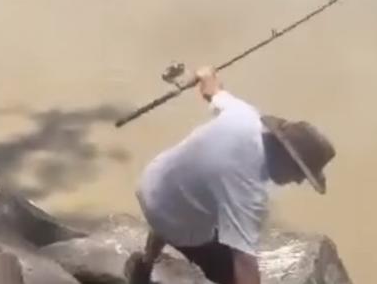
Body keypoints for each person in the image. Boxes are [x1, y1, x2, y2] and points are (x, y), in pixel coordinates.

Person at [124, 65, 336, 284]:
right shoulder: (247, 191)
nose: (299, 181)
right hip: (170, 215)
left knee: (184, 199)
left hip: (152, 183)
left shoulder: (244, 116)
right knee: (227, 272)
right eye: (300, 173)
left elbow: (211, 89)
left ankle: (145, 265)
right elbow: (244, 263)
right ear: (286, 159)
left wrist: (205, 74)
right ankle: (151, 258)